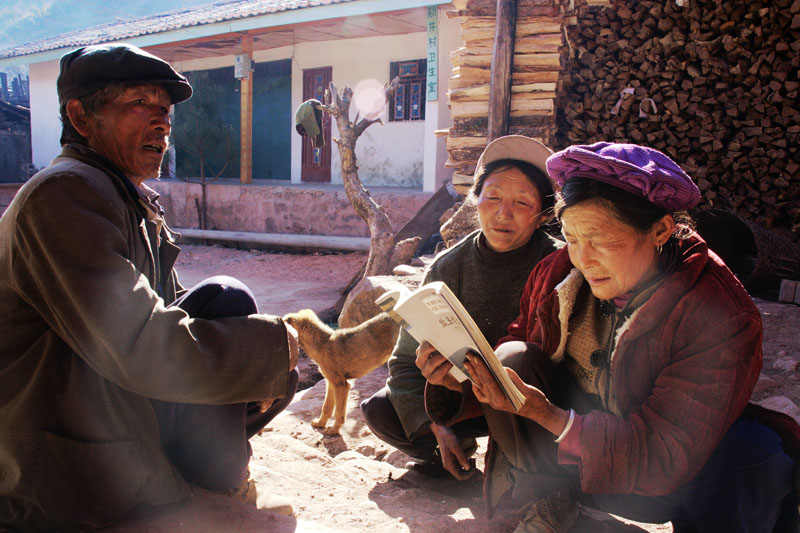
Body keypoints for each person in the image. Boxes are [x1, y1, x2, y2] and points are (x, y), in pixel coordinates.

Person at [418, 142, 800, 531]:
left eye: (600, 239)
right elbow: (516, 349)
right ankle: (551, 505)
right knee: (514, 356)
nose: (583, 258)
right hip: (575, 462)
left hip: (663, 479)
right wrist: (463, 377)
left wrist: (547, 415)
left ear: (660, 231)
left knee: (752, 452)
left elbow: (665, 454)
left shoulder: (717, 311)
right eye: (573, 237)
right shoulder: (557, 273)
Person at [0, 43, 300, 530]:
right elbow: (139, 343)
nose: (162, 123)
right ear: (81, 116)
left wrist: (266, 354)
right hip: (52, 445)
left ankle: (214, 482)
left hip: (105, 402)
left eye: (165, 111)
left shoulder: (119, 193)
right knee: (244, 329)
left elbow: (172, 311)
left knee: (231, 312)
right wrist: (269, 348)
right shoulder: (63, 194)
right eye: (141, 104)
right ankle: (214, 491)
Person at [361, 135, 564, 480]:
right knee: (381, 410)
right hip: (464, 403)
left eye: (522, 202)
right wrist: (437, 424)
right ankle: (459, 454)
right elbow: (405, 363)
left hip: (532, 406)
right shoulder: (447, 268)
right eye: (494, 197)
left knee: (520, 357)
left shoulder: (560, 265)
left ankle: (534, 473)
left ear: (543, 216)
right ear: (476, 200)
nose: (503, 213)